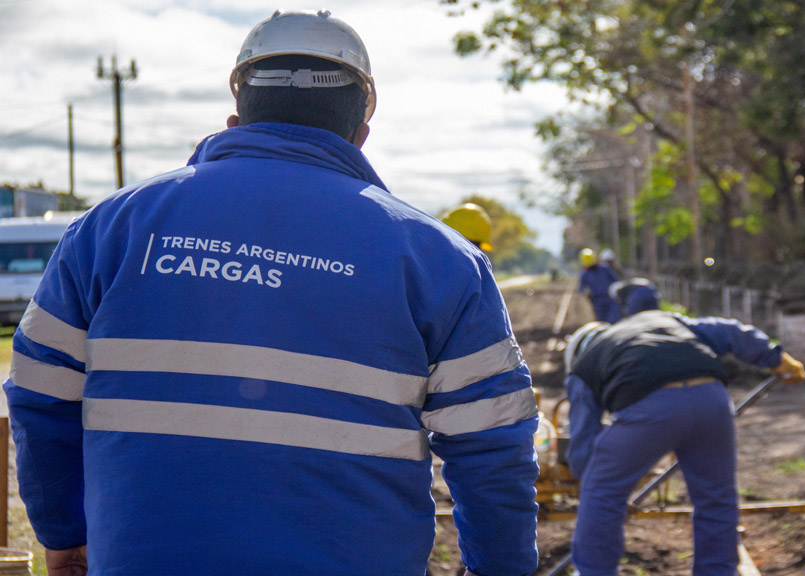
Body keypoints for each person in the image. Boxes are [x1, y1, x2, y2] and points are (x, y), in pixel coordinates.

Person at [4, 10, 539, 576]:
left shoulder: (111, 228)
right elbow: (492, 445)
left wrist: (64, 532)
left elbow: (41, 396)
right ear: (359, 132)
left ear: (237, 119)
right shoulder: (441, 260)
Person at [562, 311, 805, 576]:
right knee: (716, 497)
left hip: (649, 408)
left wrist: (595, 479)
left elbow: (584, 444)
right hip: (711, 399)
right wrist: (774, 357)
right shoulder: (658, 320)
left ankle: (593, 572)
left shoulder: (584, 365)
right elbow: (729, 332)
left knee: (601, 493)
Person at [577, 248, 620, 323]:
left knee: (614, 321)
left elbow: (616, 281)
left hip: (611, 299)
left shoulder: (605, 268)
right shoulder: (585, 274)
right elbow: (581, 289)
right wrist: (586, 293)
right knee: (602, 323)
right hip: (597, 302)